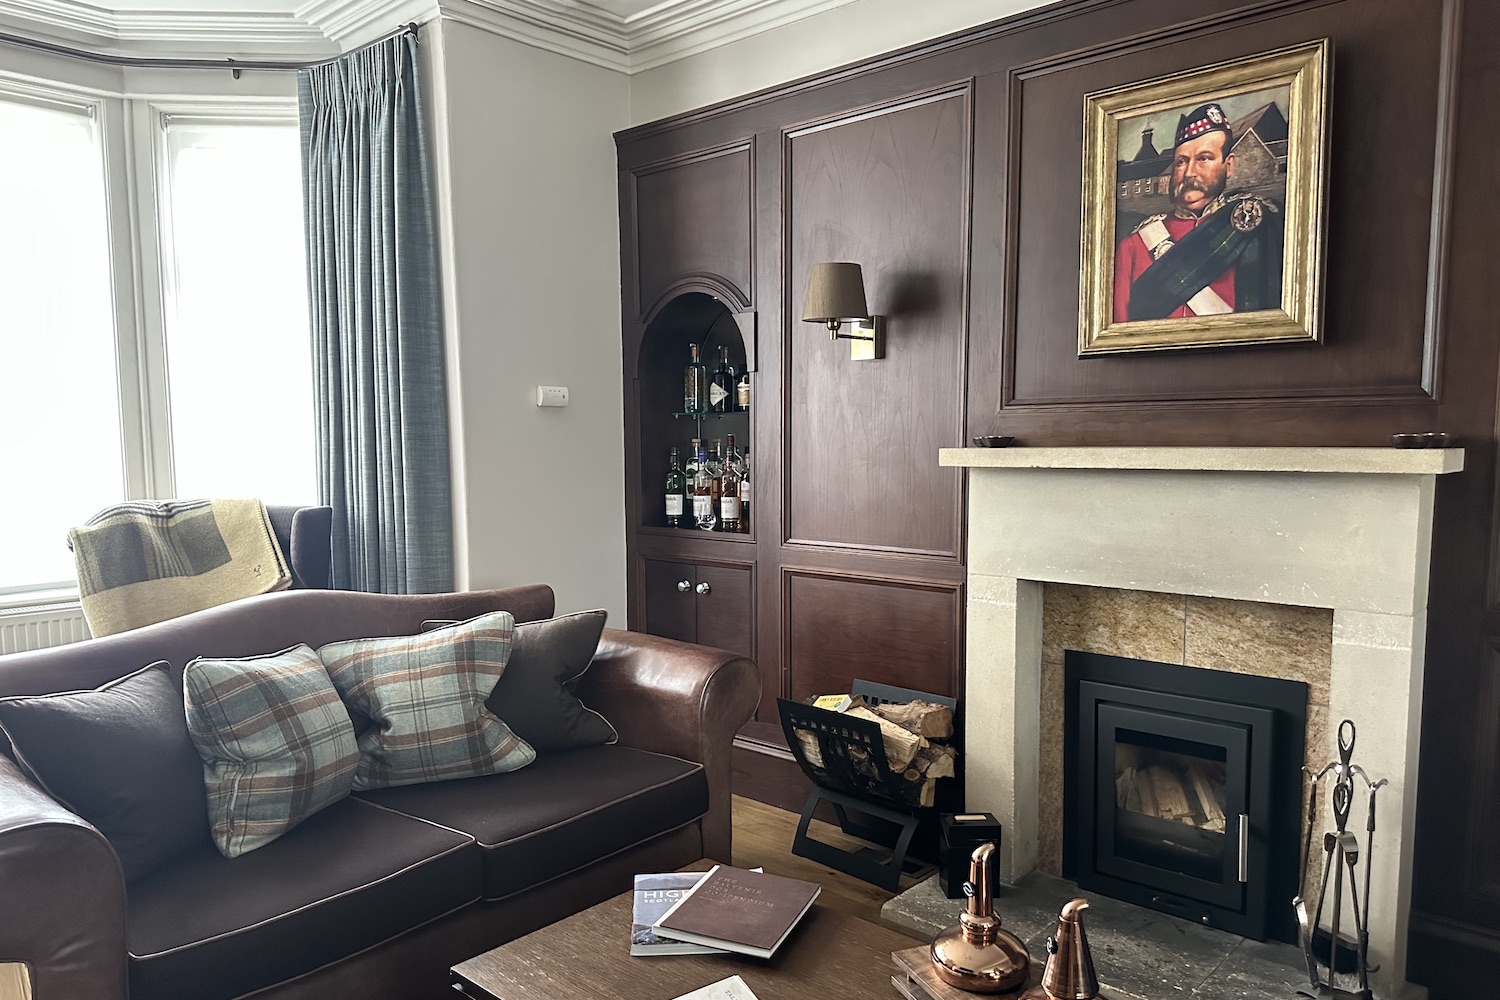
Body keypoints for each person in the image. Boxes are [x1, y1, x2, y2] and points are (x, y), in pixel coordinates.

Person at [1112, 102, 1283, 323]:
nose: (1190, 172)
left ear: (1228, 165)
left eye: (1204, 158)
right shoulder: (1134, 245)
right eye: (1182, 162)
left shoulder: (1251, 227)